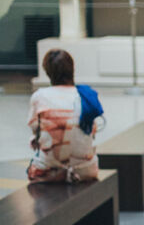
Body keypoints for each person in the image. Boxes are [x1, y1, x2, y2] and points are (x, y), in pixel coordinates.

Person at [27, 49, 100, 183]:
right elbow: (93, 131)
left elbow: (34, 129)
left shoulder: (40, 96)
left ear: (48, 72)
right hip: (86, 169)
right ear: (72, 69)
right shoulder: (86, 95)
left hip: (49, 171)